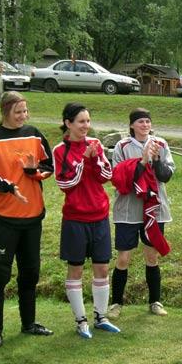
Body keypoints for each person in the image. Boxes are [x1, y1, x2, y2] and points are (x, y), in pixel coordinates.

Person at [0, 91, 54, 348]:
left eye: (25, 111)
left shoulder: (34, 134)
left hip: (32, 219)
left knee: (30, 273)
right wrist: (6, 186)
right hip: (2, 219)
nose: (23, 116)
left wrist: (33, 172)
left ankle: (28, 323)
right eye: (18, 111)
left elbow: (48, 167)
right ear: (5, 111)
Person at [53, 103, 120, 339]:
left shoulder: (96, 144)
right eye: (81, 121)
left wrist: (94, 160)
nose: (86, 126)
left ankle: (101, 317)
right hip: (75, 219)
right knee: (76, 269)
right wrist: (84, 160)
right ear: (68, 123)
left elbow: (107, 176)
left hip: (99, 216)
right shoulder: (60, 150)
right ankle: (81, 321)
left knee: (102, 267)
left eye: (88, 121)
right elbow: (65, 184)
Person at [109, 108, 175, 319]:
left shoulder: (161, 144)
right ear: (132, 125)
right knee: (123, 258)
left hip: (154, 210)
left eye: (147, 121)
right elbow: (120, 179)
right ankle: (116, 303)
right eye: (140, 122)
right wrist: (143, 161)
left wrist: (156, 160)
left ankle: (155, 301)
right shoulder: (122, 146)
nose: (145, 125)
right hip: (128, 210)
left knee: (151, 256)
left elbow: (165, 176)